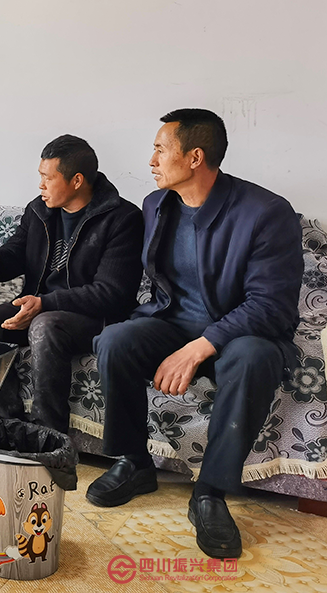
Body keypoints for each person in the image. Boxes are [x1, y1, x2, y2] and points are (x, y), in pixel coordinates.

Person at [86, 109, 303, 559]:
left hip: (242, 332)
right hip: (173, 322)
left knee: (253, 358)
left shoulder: (267, 212)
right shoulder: (156, 204)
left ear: (195, 157)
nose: (151, 160)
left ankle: (210, 492)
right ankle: (134, 463)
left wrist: (200, 347)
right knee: (115, 341)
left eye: (160, 150)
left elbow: (271, 305)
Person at [0, 135, 144, 430]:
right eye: (40, 176)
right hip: (40, 308)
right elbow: (10, 261)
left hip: (95, 319)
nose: (41, 185)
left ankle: (48, 433)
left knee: (44, 325)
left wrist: (45, 303)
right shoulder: (39, 210)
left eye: (48, 178)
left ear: (76, 180)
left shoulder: (123, 219)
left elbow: (112, 293)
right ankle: (9, 426)